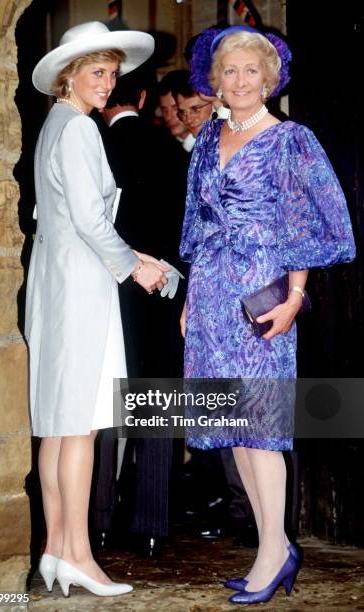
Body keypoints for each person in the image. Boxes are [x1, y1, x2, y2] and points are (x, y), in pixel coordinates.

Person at [179, 25, 355, 605]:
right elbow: (199, 222)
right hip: (211, 293)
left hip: (262, 291)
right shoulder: (207, 137)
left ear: (269, 78)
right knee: (235, 426)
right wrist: (189, 300)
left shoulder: (290, 140)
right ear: (217, 81)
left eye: (251, 70)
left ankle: (274, 553)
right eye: (229, 71)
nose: (240, 81)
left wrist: (296, 295)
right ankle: (273, 546)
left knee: (262, 425)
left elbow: (308, 220)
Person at [25, 21, 170, 598]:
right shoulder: (80, 130)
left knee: (58, 426)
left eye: (112, 73)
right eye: (96, 72)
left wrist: (137, 255)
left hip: (58, 282)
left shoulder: (55, 124)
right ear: (70, 75)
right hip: (81, 287)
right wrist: (135, 265)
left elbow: (68, 219)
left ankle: (55, 549)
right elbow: (89, 220)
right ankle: (80, 555)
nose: (107, 83)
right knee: (80, 425)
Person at [91, 75, 185, 556]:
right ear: (145, 99)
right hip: (161, 287)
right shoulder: (171, 150)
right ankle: (152, 525)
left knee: (104, 400)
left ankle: (100, 519)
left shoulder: (93, 142)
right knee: (157, 395)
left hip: (104, 287)